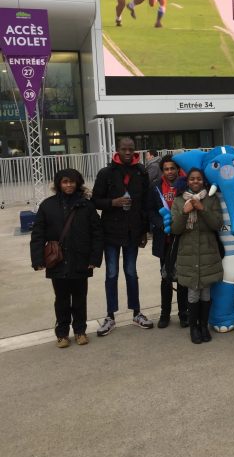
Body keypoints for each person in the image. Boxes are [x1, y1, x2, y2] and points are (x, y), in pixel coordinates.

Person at [30, 169, 103, 348]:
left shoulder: (87, 206)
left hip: (81, 259)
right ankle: (62, 333)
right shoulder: (47, 206)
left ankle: (80, 331)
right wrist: (38, 259)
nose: (69, 185)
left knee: (79, 298)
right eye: (65, 182)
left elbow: (97, 233)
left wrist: (95, 258)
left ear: (78, 183)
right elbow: (38, 234)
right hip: (58, 260)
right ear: (58, 184)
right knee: (61, 299)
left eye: (72, 182)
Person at [92, 137, 154, 336]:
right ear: (117, 150)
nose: (128, 153)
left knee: (131, 271)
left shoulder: (141, 172)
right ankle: (110, 316)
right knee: (111, 273)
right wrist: (113, 203)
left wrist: (144, 230)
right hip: (110, 231)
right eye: (124, 149)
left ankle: (136, 312)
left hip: (132, 232)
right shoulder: (106, 173)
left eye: (131, 149)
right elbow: (95, 201)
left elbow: (145, 204)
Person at [171, 168, 223, 344]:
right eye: (192, 179)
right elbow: (175, 229)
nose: (195, 181)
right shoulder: (178, 201)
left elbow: (216, 224)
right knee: (193, 292)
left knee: (206, 292)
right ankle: (194, 328)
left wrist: (202, 209)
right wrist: (184, 213)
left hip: (208, 252)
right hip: (188, 253)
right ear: (187, 181)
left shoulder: (211, 199)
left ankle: (204, 326)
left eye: (199, 179)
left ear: (203, 181)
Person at [148, 154, 188, 329]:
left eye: (173, 168)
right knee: (166, 277)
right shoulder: (155, 187)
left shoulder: (184, 185)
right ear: (162, 170)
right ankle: (165, 314)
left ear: (177, 169)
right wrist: (160, 223)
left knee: (182, 279)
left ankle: (183, 314)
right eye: (166, 169)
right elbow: (150, 211)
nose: (170, 171)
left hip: (183, 238)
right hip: (164, 239)